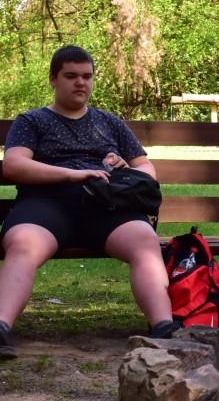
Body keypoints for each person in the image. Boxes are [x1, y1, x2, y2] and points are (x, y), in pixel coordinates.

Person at [0, 45, 177, 360]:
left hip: (105, 204)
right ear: (54, 79)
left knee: (143, 240)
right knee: (23, 244)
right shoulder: (32, 121)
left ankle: (164, 328)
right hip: (47, 204)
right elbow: (14, 165)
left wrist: (125, 166)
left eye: (87, 76)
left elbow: (146, 169)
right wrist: (70, 175)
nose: (80, 83)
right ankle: (1, 327)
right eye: (71, 76)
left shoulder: (109, 123)